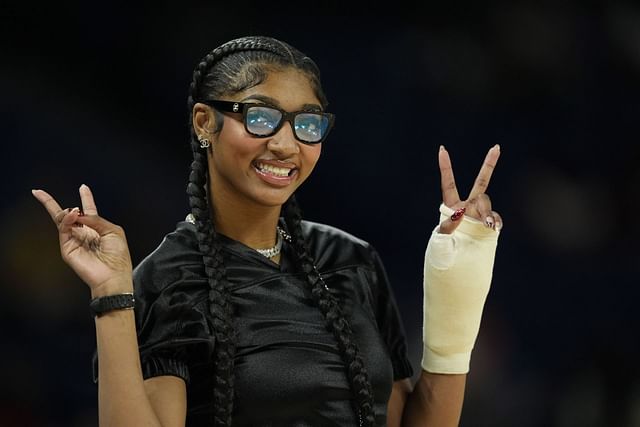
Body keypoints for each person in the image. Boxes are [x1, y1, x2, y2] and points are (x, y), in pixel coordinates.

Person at [32, 36, 502, 427]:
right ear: (204, 122)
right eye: (259, 118)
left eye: (307, 124)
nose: (284, 143)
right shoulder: (169, 278)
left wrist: (457, 294)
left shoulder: (350, 260)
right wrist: (113, 294)